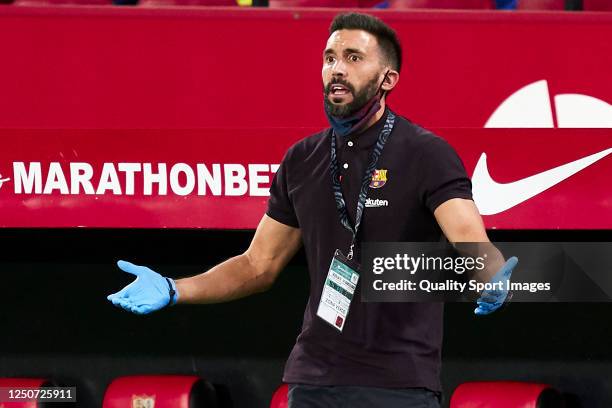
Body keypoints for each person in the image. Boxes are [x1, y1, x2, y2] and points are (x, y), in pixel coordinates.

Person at [108, 13, 516, 407]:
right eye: (330, 58)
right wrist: (177, 288)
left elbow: (469, 236)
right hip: (312, 381)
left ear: (388, 79)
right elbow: (257, 266)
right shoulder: (302, 159)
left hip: (398, 385)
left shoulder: (426, 153)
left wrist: (490, 272)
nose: (337, 69)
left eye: (354, 58)